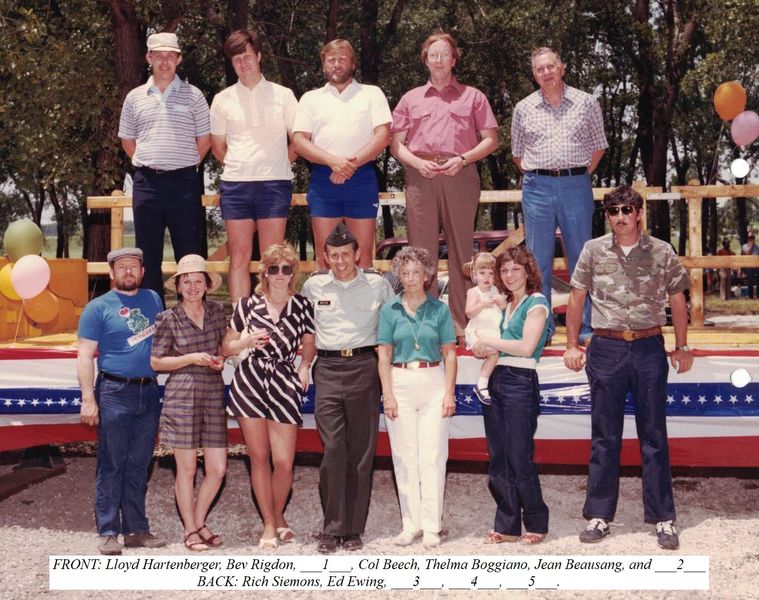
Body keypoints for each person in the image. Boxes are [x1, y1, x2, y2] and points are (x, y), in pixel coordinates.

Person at [563, 185, 693, 550]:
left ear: (638, 213)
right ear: (608, 215)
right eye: (613, 210)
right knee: (605, 437)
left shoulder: (662, 251)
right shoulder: (593, 250)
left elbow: (678, 299)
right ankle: (600, 515)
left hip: (649, 347)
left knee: (654, 436)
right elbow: (577, 298)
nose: (620, 216)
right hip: (606, 348)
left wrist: (681, 345)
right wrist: (572, 344)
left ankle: (663, 518)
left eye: (627, 209)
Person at [391, 32, 499, 341]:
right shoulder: (410, 99)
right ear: (425, 59)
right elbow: (396, 145)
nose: (439, 60)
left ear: (454, 59)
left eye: (445, 54)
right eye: (433, 54)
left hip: (460, 173)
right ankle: (426, 321)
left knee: (461, 250)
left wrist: (463, 159)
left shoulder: (473, 96)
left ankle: (462, 322)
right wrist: (416, 162)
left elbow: (491, 140)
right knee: (420, 252)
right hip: (420, 175)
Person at [301, 223, 394, 554]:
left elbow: (394, 324)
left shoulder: (378, 286)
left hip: (364, 367)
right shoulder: (313, 287)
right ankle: (332, 526)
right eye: (334, 255)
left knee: (360, 452)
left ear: (358, 254)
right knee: (333, 448)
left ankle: (354, 528)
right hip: (326, 368)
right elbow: (302, 329)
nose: (340, 261)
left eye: (346, 254)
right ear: (325, 257)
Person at [221, 243, 315, 548]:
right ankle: (269, 524)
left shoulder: (302, 306)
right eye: (273, 268)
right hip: (250, 381)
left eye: (286, 269)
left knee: (285, 462)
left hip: (285, 381)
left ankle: (276, 516)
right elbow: (226, 347)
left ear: (293, 274)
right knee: (259, 458)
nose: (279, 274)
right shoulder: (246, 305)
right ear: (264, 273)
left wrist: (304, 365)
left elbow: (309, 342)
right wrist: (245, 340)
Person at [511, 46, 608, 342]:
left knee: (581, 257)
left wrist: (575, 176)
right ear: (534, 74)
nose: (546, 73)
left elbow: (599, 146)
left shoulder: (586, 102)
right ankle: (542, 329)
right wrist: (543, 175)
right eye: (540, 69)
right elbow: (518, 154)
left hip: (575, 185)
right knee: (537, 260)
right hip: (537, 187)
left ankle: (586, 327)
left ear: (562, 67)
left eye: (551, 66)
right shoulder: (523, 108)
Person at [77, 248, 166, 556]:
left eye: (134, 267)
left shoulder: (154, 299)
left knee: (140, 463)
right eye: (122, 267)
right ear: (111, 273)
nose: (128, 272)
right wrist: (88, 398)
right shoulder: (97, 308)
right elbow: (85, 356)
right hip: (114, 392)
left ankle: (136, 529)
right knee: (112, 462)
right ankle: (108, 530)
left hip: (149, 392)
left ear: (142, 271)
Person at [119, 32, 211, 304]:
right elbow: (127, 142)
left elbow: (204, 141)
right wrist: (153, 162)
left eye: (170, 56)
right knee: (148, 252)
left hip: (184, 183)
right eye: (158, 56)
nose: (164, 62)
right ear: (148, 58)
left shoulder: (194, 96)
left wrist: (180, 165)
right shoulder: (134, 98)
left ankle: (193, 318)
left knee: (190, 254)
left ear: (179, 59)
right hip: (147, 183)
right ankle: (153, 317)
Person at [377, 246, 457, 548]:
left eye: (416, 273)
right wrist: (388, 394)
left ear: (427, 276)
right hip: (399, 381)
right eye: (405, 272)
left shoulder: (440, 310)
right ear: (399, 275)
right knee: (404, 456)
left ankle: (432, 525)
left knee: (433, 455)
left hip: (433, 380)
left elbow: (450, 354)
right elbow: (383, 354)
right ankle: (410, 524)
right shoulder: (389, 310)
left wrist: (449, 393)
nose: (411, 278)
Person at [210, 30, 299, 303]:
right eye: (237, 59)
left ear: (258, 56)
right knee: (238, 256)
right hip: (236, 186)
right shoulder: (222, 99)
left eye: (247, 56)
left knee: (273, 258)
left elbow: (298, 141)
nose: (243, 63)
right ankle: (240, 321)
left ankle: (275, 318)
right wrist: (242, 165)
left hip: (274, 184)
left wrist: (278, 162)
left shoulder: (283, 95)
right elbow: (218, 148)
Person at [472, 246, 550, 545]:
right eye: (504, 270)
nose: (509, 274)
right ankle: (506, 524)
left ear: (528, 271)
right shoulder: (505, 305)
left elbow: (527, 346)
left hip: (520, 380)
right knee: (499, 455)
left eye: (516, 268)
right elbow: (497, 345)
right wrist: (485, 347)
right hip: (497, 379)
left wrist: (489, 341)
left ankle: (536, 522)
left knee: (519, 455)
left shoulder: (537, 303)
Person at [150, 255, 227, 552]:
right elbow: (156, 362)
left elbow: (223, 348)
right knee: (187, 469)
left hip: (212, 392)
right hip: (181, 394)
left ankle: (197, 521)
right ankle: (191, 530)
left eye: (198, 281)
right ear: (178, 286)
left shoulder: (218, 312)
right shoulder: (167, 318)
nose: (193, 286)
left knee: (218, 468)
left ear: (207, 285)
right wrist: (191, 358)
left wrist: (220, 360)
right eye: (187, 281)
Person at [292, 39, 391, 268]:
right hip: (323, 180)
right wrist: (334, 162)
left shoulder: (372, 94)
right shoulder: (310, 98)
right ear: (324, 65)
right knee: (325, 256)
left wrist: (350, 165)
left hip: (362, 178)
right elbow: (298, 141)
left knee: (363, 255)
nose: (336, 64)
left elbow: (383, 136)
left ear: (353, 63)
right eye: (331, 60)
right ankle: (324, 305)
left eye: (342, 59)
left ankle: (365, 305)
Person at [463, 252, 507, 404]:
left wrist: (501, 303)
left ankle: (494, 385)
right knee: (493, 354)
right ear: (474, 275)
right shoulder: (474, 292)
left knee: (501, 352)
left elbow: (504, 310)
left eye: (491, 273)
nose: (487, 277)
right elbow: (468, 313)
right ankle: (482, 384)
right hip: (478, 331)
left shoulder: (496, 291)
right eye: (482, 273)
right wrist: (481, 304)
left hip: (494, 331)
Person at [741, 233, 759, 299]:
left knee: (758, 281)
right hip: (749, 266)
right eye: (750, 237)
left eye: (752, 237)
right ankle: (750, 296)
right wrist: (751, 246)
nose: (751, 239)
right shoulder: (744, 246)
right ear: (748, 238)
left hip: (757, 266)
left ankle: (758, 295)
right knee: (750, 281)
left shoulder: (757, 246)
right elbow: (747, 254)